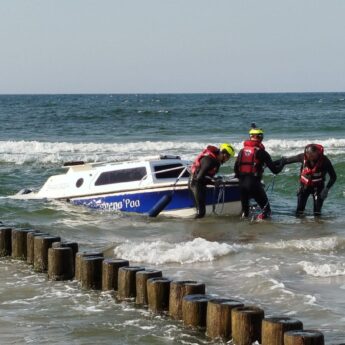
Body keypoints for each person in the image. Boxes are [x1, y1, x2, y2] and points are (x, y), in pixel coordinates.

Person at [234, 125, 283, 220]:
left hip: (242, 185)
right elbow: (275, 171)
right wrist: (282, 163)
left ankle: (244, 232)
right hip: (254, 184)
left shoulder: (241, 151)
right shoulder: (261, 152)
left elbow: (236, 169)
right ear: (260, 137)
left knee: (245, 212)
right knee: (266, 210)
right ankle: (259, 230)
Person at [279, 144, 336, 217]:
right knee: (299, 212)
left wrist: (326, 189)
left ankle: (318, 227)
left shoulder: (325, 161)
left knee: (317, 213)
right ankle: (301, 226)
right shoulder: (303, 157)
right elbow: (286, 161)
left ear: (317, 153)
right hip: (304, 187)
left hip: (318, 188)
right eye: (307, 154)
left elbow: (333, 177)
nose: (309, 157)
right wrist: (269, 164)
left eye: (311, 155)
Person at [189, 143, 235, 218]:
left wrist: (214, 182)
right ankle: (194, 228)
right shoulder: (209, 161)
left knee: (201, 212)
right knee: (201, 213)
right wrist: (213, 182)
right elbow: (199, 177)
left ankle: (198, 228)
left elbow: (205, 176)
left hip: (200, 184)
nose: (227, 160)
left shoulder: (215, 161)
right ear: (224, 154)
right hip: (195, 185)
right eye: (228, 157)